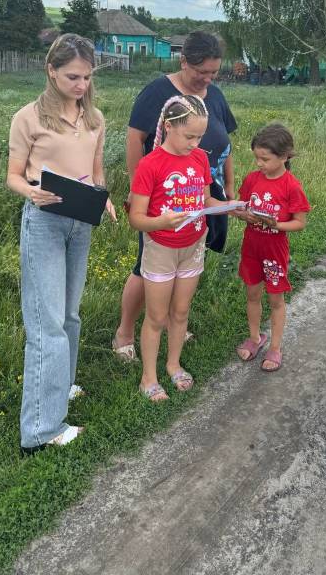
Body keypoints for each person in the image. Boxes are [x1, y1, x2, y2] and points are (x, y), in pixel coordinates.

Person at [7, 34, 116, 454]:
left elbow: (96, 171)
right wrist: (31, 192)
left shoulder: (94, 118)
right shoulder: (28, 118)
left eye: (87, 77)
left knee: (69, 315)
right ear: (51, 71)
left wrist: (103, 198)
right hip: (45, 222)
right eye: (73, 77)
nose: (81, 85)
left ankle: (62, 385)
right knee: (47, 323)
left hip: (80, 221)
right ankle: (41, 429)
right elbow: (14, 175)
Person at [112, 31, 237, 361]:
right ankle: (125, 331)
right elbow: (134, 139)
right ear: (183, 61)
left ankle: (170, 320)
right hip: (161, 199)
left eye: (213, 72)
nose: (207, 79)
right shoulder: (158, 92)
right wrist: (138, 188)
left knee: (186, 260)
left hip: (201, 194)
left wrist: (230, 185)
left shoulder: (215, 95)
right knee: (146, 266)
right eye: (201, 72)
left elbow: (226, 144)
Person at [128, 95, 235, 400]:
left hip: (193, 245)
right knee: (156, 317)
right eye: (189, 136)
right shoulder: (150, 164)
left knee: (181, 310)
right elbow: (136, 218)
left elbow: (206, 199)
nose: (195, 143)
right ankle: (148, 377)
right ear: (169, 126)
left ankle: (173, 364)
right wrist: (161, 222)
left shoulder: (199, 158)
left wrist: (231, 208)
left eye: (199, 137)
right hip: (161, 248)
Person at [234, 124, 310, 372]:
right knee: (252, 294)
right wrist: (243, 214)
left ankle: (275, 347)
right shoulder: (252, 179)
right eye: (256, 158)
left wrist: (275, 224)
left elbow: (299, 223)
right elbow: (241, 207)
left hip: (274, 252)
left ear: (285, 156)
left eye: (265, 159)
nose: (259, 164)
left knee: (275, 298)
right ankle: (255, 337)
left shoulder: (291, 186)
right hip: (251, 248)